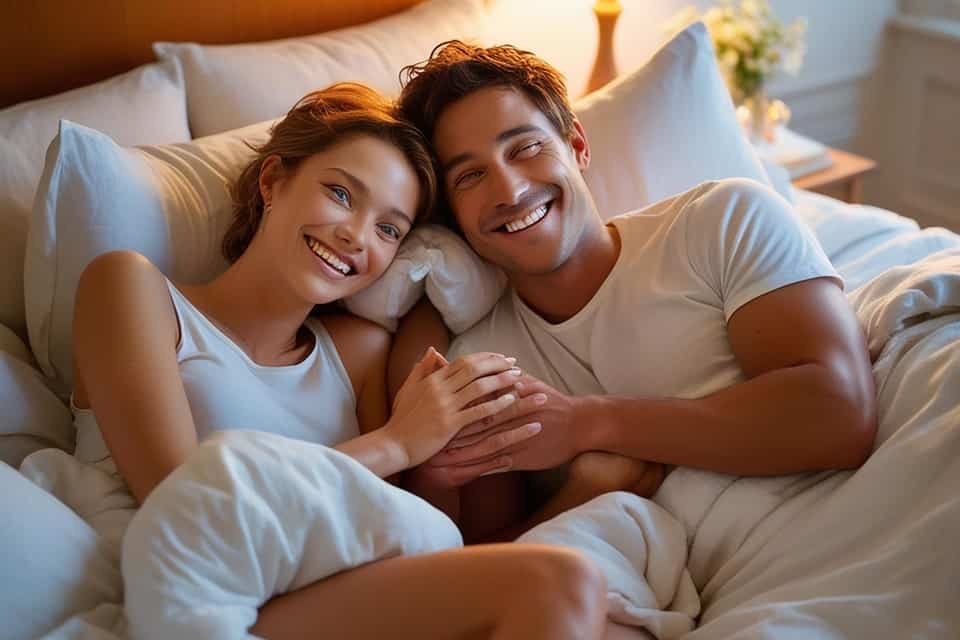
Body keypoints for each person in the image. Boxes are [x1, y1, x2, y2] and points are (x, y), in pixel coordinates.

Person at [65, 83, 619, 640]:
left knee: (581, 596)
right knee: (558, 582)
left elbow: (414, 541)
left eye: (389, 229)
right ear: (273, 181)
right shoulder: (133, 290)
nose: (356, 237)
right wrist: (397, 442)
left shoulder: (357, 353)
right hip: (185, 592)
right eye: (341, 194)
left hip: (324, 602)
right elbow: (185, 509)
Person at [390, 41, 879, 543]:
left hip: (848, 530)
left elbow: (840, 415)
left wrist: (590, 424)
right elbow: (483, 566)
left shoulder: (723, 221)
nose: (510, 191)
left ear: (577, 145)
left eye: (525, 148)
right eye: (471, 175)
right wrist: (581, 495)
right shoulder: (483, 364)